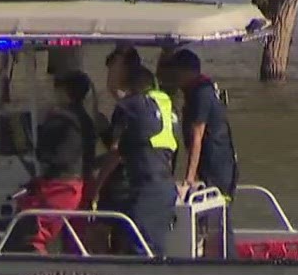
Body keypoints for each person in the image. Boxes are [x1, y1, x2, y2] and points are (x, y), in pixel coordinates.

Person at [87, 51, 179, 257]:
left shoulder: (130, 107)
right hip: (165, 188)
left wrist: (95, 187)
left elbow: (116, 152)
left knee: (141, 249)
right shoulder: (164, 107)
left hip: (143, 189)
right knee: (152, 246)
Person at [10, 71, 100, 253]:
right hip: (82, 186)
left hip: (60, 187)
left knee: (31, 233)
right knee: (75, 240)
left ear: (64, 92)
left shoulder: (59, 119)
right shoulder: (86, 120)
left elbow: (44, 154)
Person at [161, 48, 237, 197]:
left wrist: (189, 179)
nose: (173, 78)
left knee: (214, 212)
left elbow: (197, 136)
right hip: (215, 165)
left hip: (216, 167)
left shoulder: (201, 93)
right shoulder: (196, 90)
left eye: (176, 73)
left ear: (186, 72)